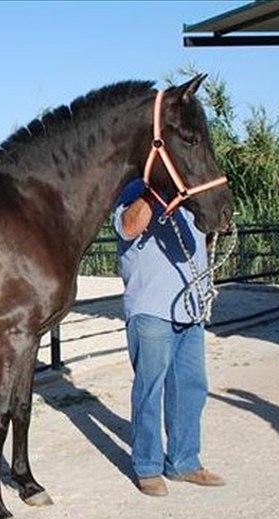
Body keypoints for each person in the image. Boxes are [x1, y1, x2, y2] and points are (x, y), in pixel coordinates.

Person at [112, 177, 225, 496]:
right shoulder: (134, 190)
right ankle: (147, 467)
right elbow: (128, 227)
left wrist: (216, 223)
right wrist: (158, 188)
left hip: (190, 307)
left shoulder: (191, 195)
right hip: (151, 308)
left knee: (192, 386)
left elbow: (199, 245)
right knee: (150, 388)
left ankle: (184, 461)